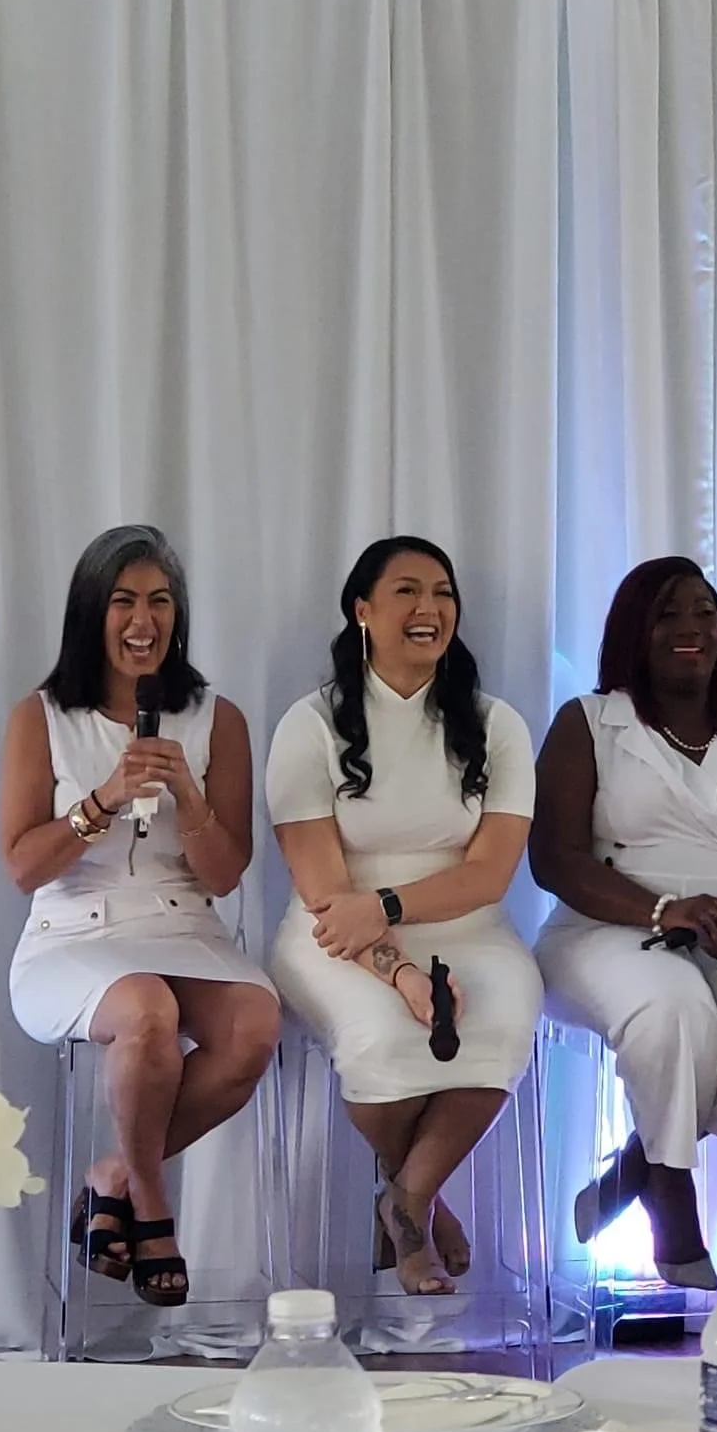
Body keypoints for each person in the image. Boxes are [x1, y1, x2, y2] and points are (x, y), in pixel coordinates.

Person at [2, 525, 279, 1308]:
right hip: (72, 932)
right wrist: (101, 801)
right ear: (92, 612)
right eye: (123, 601)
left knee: (256, 1023)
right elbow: (22, 866)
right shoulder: (43, 716)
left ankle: (116, 1177)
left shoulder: (216, 719)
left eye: (160, 602)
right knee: (146, 1008)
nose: (142, 621)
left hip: (183, 924)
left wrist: (189, 796)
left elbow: (226, 876)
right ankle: (155, 1208)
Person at [532, 557, 717, 1287]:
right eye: (667, 614)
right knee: (674, 1008)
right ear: (635, 630)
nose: (691, 628)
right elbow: (554, 859)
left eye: (705, 613)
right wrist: (663, 910)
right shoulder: (589, 722)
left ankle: (640, 1158)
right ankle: (671, 1194)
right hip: (608, 923)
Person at [266, 536, 541, 1296]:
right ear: (362, 610)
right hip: (335, 936)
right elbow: (325, 889)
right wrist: (400, 968)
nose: (430, 609)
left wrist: (392, 909)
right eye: (407, 592)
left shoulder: (497, 724)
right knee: (385, 1036)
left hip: (467, 924)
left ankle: (404, 1199)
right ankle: (421, 1202)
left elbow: (490, 873)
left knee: (502, 1017)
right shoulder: (310, 724)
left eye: (443, 593)